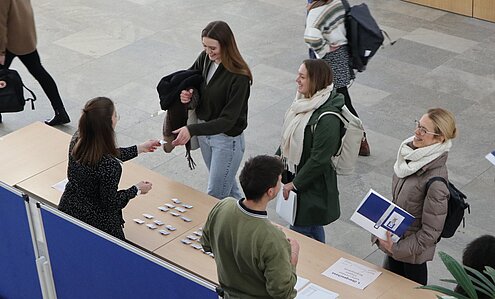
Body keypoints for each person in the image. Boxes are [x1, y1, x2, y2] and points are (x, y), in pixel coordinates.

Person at [375, 108, 458, 285]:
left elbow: (430, 233)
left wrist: (397, 249)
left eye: (423, 130)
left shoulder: (435, 182)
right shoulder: (411, 158)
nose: (416, 132)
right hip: (395, 246)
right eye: (418, 125)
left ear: (439, 138)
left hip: (411, 260)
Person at [58, 97, 160, 240]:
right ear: (110, 122)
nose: (117, 118)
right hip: (99, 225)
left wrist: (140, 148)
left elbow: (104, 154)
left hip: (69, 209)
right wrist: (136, 190)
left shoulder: (78, 139)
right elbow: (111, 203)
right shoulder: (110, 166)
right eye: (115, 115)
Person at [171, 20, 252, 200]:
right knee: (227, 188)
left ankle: (216, 227)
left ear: (226, 45)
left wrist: (191, 130)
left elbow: (228, 120)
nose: (208, 52)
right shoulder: (205, 58)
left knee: (215, 195)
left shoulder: (240, 76)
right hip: (205, 134)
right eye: (205, 46)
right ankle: (246, 219)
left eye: (212, 48)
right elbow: (190, 77)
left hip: (226, 141)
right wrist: (188, 92)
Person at [201, 155, 298, 299]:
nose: (281, 182)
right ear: (270, 192)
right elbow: (282, 292)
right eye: (279, 180)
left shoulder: (223, 206)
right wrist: (293, 257)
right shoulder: (273, 239)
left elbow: (206, 244)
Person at [277, 59, 343, 243]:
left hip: (313, 187)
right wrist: (277, 160)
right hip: (298, 178)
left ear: (315, 80)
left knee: (300, 232)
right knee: (310, 229)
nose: (297, 80)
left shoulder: (328, 118)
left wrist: (295, 184)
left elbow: (319, 160)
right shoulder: (302, 102)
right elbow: (288, 138)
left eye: (302, 76)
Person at [304, 0, 371, 156]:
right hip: (341, 55)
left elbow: (311, 38)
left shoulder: (315, 12)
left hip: (329, 60)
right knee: (339, 97)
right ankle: (353, 138)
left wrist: (323, 49)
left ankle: (357, 138)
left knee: (338, 100)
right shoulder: (339, 3)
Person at [0, 0, 70, 125]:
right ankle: (60, 111)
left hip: (10, 43)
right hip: (26, 39)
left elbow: (1, 23)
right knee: (40, 73)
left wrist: (1, 52)